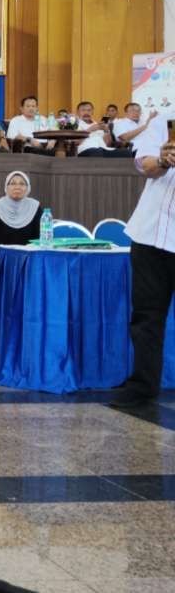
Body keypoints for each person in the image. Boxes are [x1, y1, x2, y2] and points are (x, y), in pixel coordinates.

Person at [111, 110, 175, 408]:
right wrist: (163, 160)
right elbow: (145, 164)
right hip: (150, 236)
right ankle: (143, 386)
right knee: (147, 316)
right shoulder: (165, 120)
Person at [0, 171, 41, 274]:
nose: (17, 187)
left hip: (27, 261)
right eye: (13, 183)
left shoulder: (35, 207)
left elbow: (40, 239)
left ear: (28, 188)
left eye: (22, 183)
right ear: (6, 187)